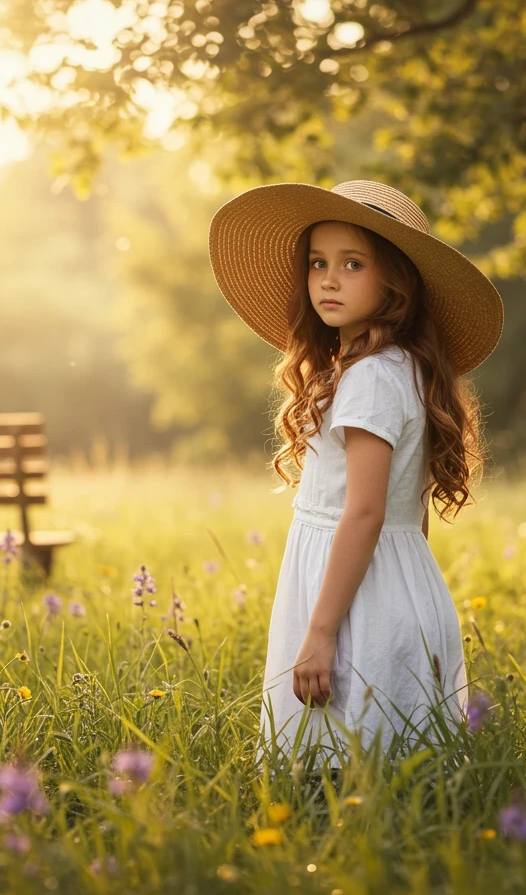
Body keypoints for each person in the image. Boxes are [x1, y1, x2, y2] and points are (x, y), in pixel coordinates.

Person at [209, 180, 504, 770]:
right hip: (387, 582)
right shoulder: (400, 367)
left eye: (352, 264)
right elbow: (409, 511)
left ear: (395, 280)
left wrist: (322, 633)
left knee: (345, 775)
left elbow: (367, 511)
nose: (329, 279)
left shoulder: (369, 377)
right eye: (318, 263)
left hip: (355, 599)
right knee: (396, 774)